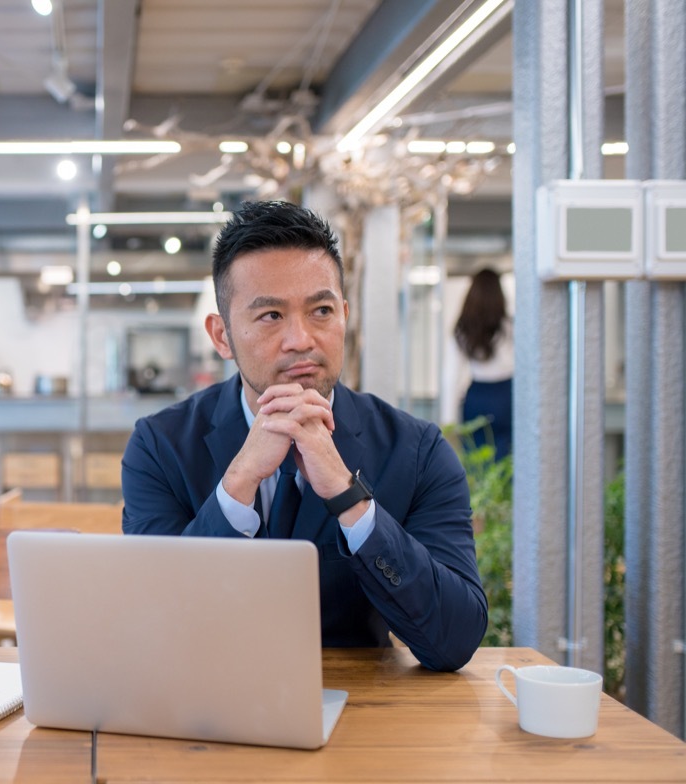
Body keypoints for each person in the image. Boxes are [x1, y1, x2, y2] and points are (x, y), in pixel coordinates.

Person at [121, 200, 486, 672]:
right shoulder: (160, 446)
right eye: (271, 315)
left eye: (321, 310)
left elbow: (454, 640)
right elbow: (154, 627)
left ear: (344, 317)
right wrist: (239, 482)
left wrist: (347, 495)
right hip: (207, 705)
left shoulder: (415, 450)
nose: (301, 339)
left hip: (363, 715)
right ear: (222, 336)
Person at [453, 268, 514, 460]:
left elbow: (450, 376)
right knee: (507, 460)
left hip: (476, 398)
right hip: (507, 396)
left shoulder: (463, 328)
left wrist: (448, 420)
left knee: (475, 459)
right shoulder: (510, 326)